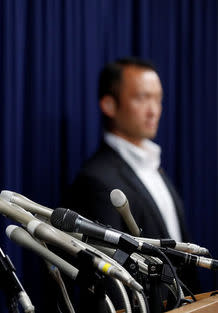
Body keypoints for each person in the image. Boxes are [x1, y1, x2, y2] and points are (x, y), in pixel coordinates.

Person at [63, 57, 199, 295]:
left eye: (158, 98)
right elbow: (110, 279)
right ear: (109, 105)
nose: (154, 109)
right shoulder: (97, 179)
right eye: (142, 98)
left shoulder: (155, 167)